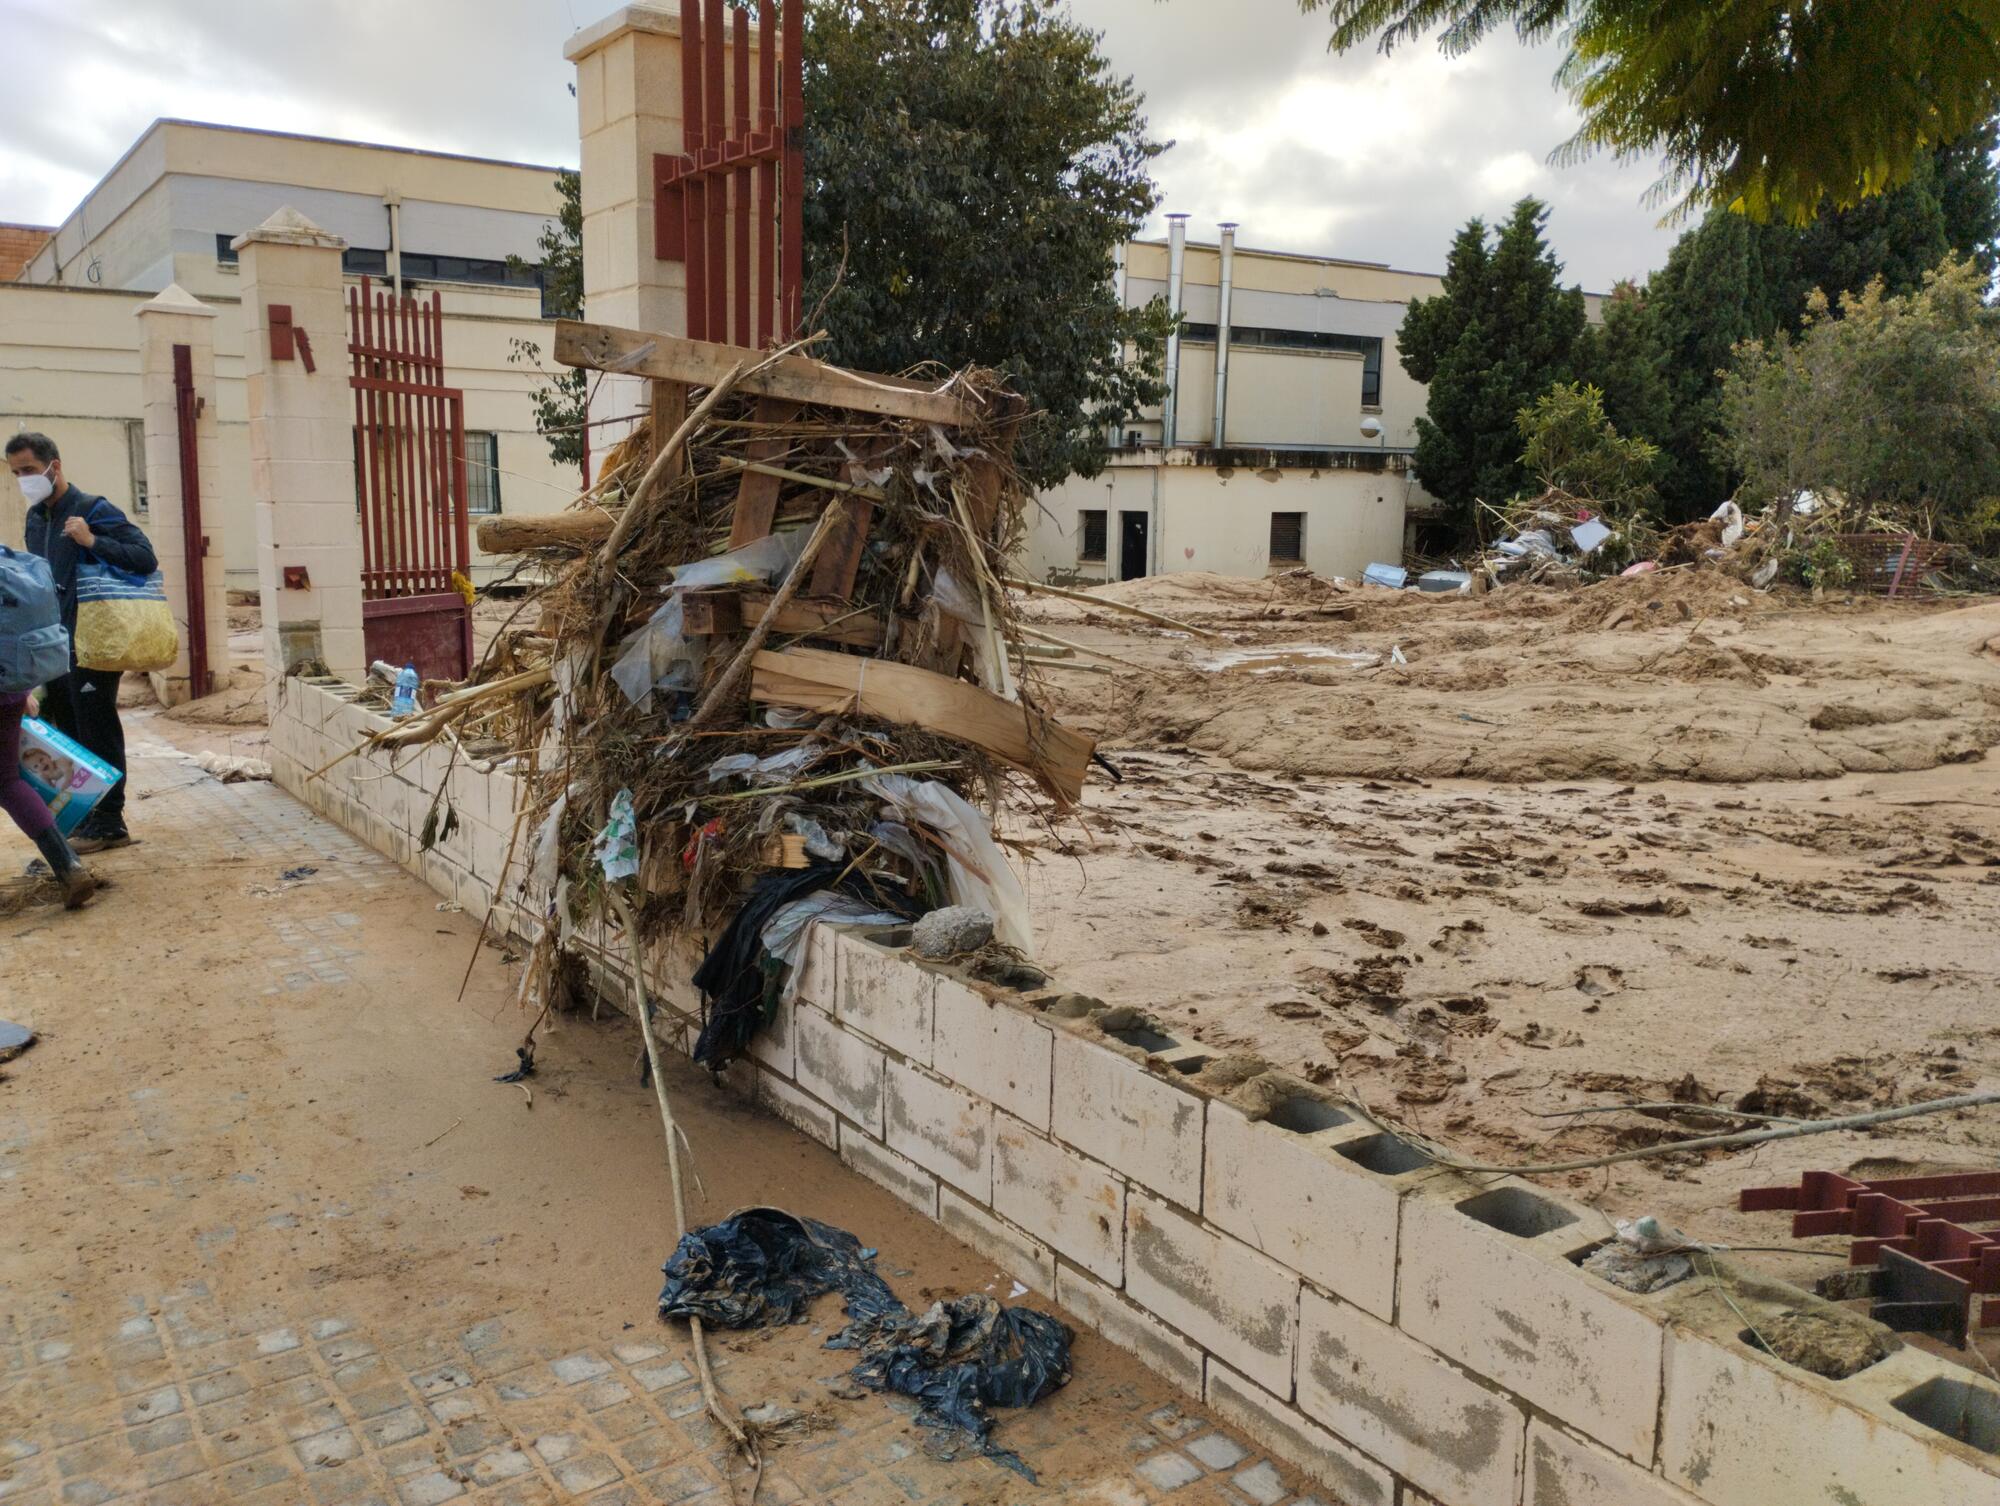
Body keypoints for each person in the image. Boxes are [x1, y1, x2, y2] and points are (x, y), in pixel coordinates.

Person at [9, 430, 157, 853]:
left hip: (94, 640)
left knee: (97, 726)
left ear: (54, 465)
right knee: (66, 727)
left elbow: (145, 558)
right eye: (17, 473)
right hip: (55, 645)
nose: (25, 479)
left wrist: (93, 541)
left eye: (30, 470)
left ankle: (111, 821)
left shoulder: (94, 509)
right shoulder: (36, 518)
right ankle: (86, 814)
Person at [1, 689, 97, 906]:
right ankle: (69, 867)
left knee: (5, 782)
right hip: (8, 691)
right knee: (7, 782)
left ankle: (69, 868)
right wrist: (23, 690)